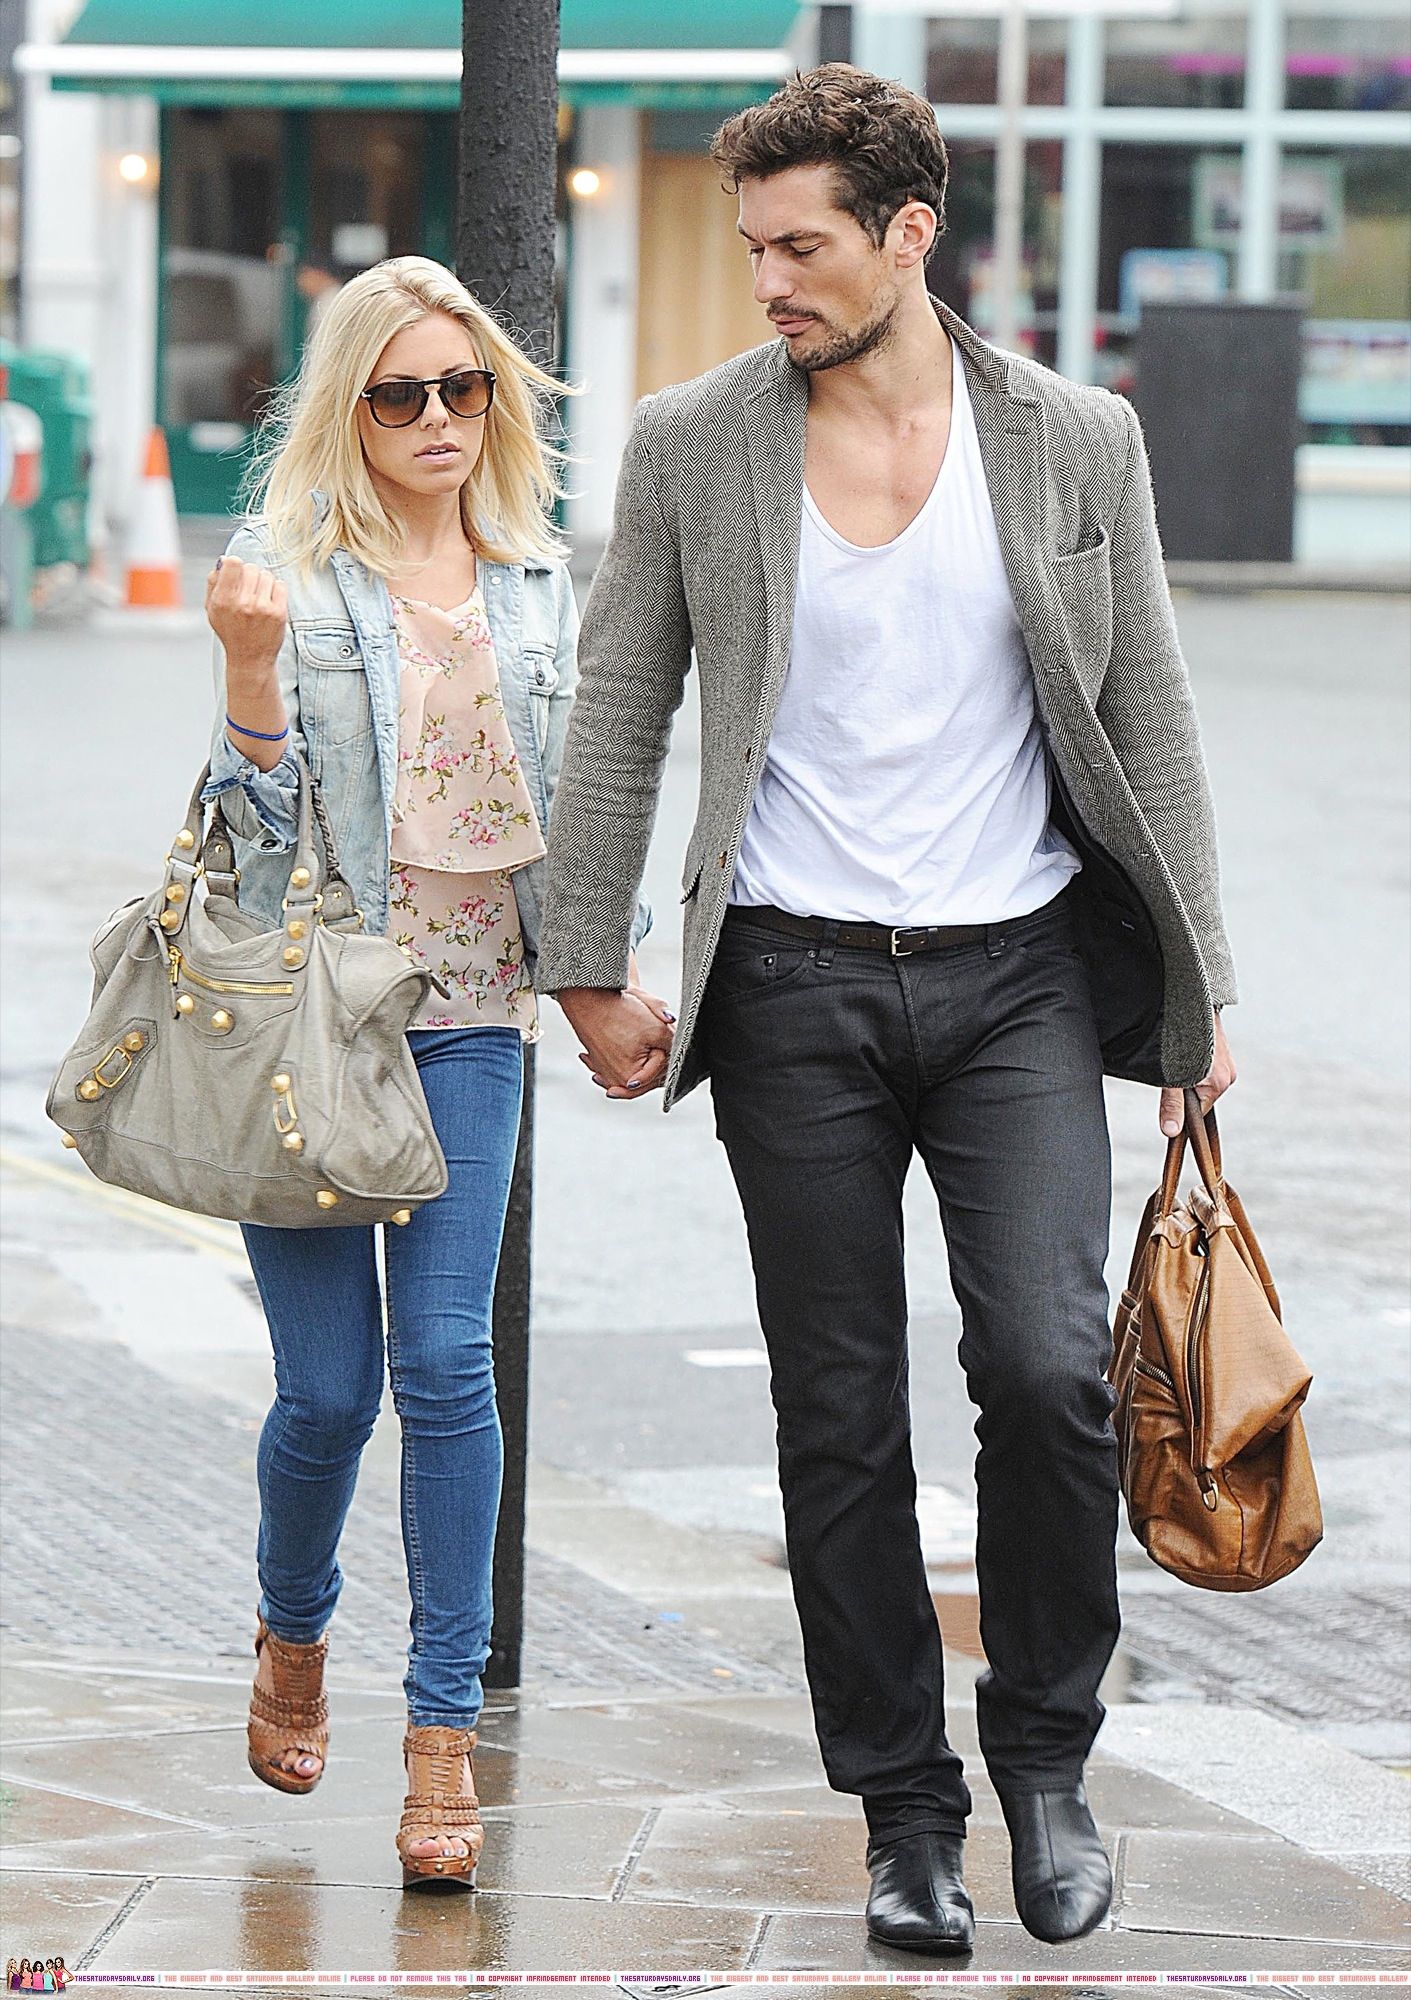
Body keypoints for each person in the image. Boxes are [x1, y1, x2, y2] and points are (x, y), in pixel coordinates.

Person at [539, 64, 1237, 1956]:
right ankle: (904, 1813)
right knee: (839, 1410)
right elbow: (620, 705)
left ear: (908, 233)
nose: (767, 279)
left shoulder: (1076, 438)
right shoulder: (695, 442)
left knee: (1052, 1373)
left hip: (1020, 980)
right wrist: (586, 964)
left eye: (801, 246)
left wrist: (1197, 1002)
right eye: (751, 246)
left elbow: (1151, 712)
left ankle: (1047, 1762)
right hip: (791, 982)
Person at [201, 254, 652, 1891]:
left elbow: (584, 808)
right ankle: (292, 1627)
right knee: (327, 1394)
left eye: (465, 388)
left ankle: (443, 1735)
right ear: (350, 410)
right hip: (319, 1025)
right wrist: (251, 679)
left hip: (474, 1022)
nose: (439, 419)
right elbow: (245, 852)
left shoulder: (536, 582)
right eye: (400, 395)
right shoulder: (284, 580)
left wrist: (599, 979)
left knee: (448, 1370)